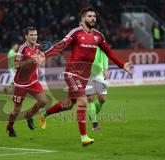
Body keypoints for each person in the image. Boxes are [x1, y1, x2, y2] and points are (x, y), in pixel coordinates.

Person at [38, 7, 133, 146]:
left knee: (69, 105)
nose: (93, 18)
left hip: (84, 77)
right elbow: (61, 44)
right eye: (89, 16)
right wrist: (45, 55)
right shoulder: (76, 33)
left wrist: (122, 64)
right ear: (83, 19)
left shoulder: (99, 36)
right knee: (83, 102)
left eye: (94, 16)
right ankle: (84, 138)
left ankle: (43, 115)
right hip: (71, 73)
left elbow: (109, 52)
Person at [6, 27, 48, 137]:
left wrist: (40, 61)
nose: (34, 37)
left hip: (33, 80)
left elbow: (41, 58)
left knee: (43, 101)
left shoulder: (38, 47)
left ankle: (29, 115)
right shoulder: (22, 49)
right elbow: (16, 65)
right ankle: (9, 127)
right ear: (26, 36)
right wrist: (30, 60)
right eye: (31, 35)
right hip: (21, 83)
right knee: (17, 108)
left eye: (35, 34)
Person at [86, 46, 108, 131]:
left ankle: (92, 113)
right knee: (90, 98)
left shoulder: (99, 38)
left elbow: (105, 54)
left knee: (102, 99)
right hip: (87, 72)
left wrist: (106, 69)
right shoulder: (82, 38)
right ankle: (95, 124)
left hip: (99, 72)